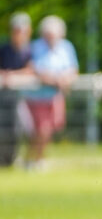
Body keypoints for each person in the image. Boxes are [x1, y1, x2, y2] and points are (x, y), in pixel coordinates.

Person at [24, 16, 78, 170]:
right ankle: (35, 160)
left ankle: (35, 159)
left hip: (55, 96)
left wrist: (64, 79)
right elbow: (34, 69)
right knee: (41, 129)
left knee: (49, 130)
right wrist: (54, 79)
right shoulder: (35, 47)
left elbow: (73, 68)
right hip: (37, 96)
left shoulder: (66, 47)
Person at [0, 12, 34, 166]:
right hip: (5, 98)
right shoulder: (4, 49)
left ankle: (25, 159)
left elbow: (31, 70)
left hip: (24, 98)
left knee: (25, 128)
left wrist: (12, 75)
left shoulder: (30, 50)